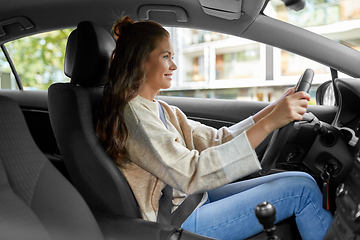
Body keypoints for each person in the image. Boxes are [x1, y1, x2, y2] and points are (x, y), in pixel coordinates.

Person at [96, 16, 332, 240]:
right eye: (166, 56)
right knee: (301, 191)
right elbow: (192, 173)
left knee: (303, 180)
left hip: (191, 201)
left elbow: (218, 139)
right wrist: (271, 122)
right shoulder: (134, 117)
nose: (174, 65)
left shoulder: (162, 110)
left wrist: (272, 110)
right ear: (141, 60)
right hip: (178, 219)